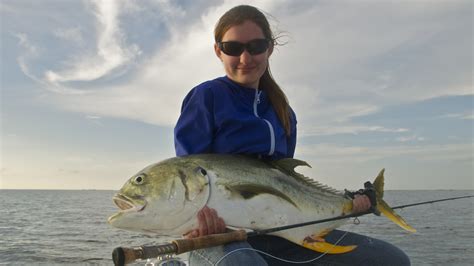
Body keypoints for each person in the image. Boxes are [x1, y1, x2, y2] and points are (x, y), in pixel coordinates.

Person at [174, 5, 410, 266]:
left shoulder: (283, 112)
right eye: (233, 48)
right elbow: (188, 173)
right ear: (218, 51)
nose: (245, 57)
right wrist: (202, 218)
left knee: (390, 259)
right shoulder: (207, 97)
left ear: (270, 48)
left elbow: (287, 181)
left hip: (279, 234)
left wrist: (350, 204)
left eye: (256, 46)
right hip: (215, 238)